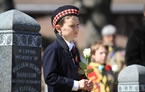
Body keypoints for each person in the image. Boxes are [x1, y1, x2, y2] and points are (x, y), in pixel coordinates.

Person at [43, 5, 93, 92]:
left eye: (77, 25)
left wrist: (85, 83)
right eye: (72, 26)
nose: (76, 29)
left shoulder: (74, 50)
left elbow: (75, 73)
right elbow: (50, 78)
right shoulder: (53, 49)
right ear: (59, 28)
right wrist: (76, 84)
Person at [101, 24, 126, 92]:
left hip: (119, 83)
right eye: (108, 36)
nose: (111, 38)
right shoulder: (99, 51)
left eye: (114, 36)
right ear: (103, 37)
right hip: (105, 84)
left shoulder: (122, 51)